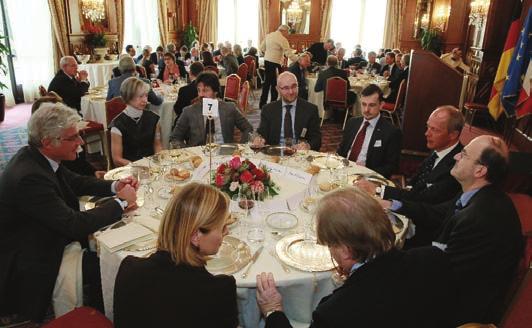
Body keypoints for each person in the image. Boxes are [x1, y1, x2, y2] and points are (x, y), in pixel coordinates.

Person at [0, 103, 137, 323]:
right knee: (115, 266)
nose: (81, 143)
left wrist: (114, 186)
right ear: (47, 142)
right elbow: (74, 225)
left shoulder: (38, 157)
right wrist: (120, 203)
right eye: (73, 138)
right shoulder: (29, 178)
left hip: (42, 235)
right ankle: (100, 317)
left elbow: (76, 182)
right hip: (31, 258)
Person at [256, 187, 457, 327]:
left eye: (329, 245)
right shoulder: (433, 258)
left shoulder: (335, 312)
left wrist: (273, 311)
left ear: (345, 250)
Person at [381, 136, 523, 324]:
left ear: (480, 170)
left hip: (458, 307)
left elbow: (443, 275)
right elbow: (436, 213)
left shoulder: (480, 218)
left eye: (464, 155)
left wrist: (387, 259)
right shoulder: (478, 194)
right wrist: (391, 204)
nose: (456, 157)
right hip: (450, 276)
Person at [114, 183, 238, 328]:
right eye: (222, 227)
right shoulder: (219, 290)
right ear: (196, 236)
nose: (227, 232)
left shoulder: (130, 268)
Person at [358, 106, 463, 206]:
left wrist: (379, 189)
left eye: (434, 130)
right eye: (428, 127)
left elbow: (424, 198)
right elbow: (416, 182)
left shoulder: (457, 166)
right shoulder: (439, 149)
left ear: (453, 135)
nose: (427, 133)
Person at [31, 93, 105, 178]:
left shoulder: (67, 137)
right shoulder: (37, 174)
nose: (81, 142)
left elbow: (80, 163)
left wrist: (93, 172)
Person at [170, 71, 253, 147]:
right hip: (199, 156)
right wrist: (189, 153)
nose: (201, 94)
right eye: (199, 90)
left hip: (224, 154)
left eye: (205, 90)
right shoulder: (189, 111)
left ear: (215, 92)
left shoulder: (229, 108)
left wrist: (241, 147)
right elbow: (175, 138)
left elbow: (248, 128)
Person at [337, 84, 402, 178]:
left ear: (381, 105)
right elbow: (341, 150)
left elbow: (392, 167)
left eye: (372, 105)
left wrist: (367, 172)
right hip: (344, 172)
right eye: (363, 104)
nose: (366, 110)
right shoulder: (352, 122)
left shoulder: (391, 132)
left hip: (367, 178)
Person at [256, 72, 321, 151]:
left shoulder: (311, 109)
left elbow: (317, 139)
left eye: (294, 86)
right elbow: (261, 133)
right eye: (286, 88)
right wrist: (259, 139)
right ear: (278, 89)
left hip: (299, 155)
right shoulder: (268, 109)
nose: (291, 92)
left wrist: (308, 145)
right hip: (275, 154)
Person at [109, 77, 163, 166]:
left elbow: (157, 145)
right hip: (129, 170)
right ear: (128, 96)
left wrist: (158, 161)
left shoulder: (153, 118)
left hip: (152, 166)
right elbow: (117, 159)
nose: (145, 100)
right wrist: (138, 167)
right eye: (140, 96)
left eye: (146, 95)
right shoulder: (118, 125)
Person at [259, 25, 297, 109]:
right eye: (287, 32)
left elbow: (261, 48)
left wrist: (269, 52)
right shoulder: (282, 39)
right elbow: (288, 53)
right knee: (275, 84)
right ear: (284, 31)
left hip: (267, 61)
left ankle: (262, 104)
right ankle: (273, 104)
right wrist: (298, 60)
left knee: (266, 83)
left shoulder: (269, 35)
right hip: (275, 63)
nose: (288, 34)